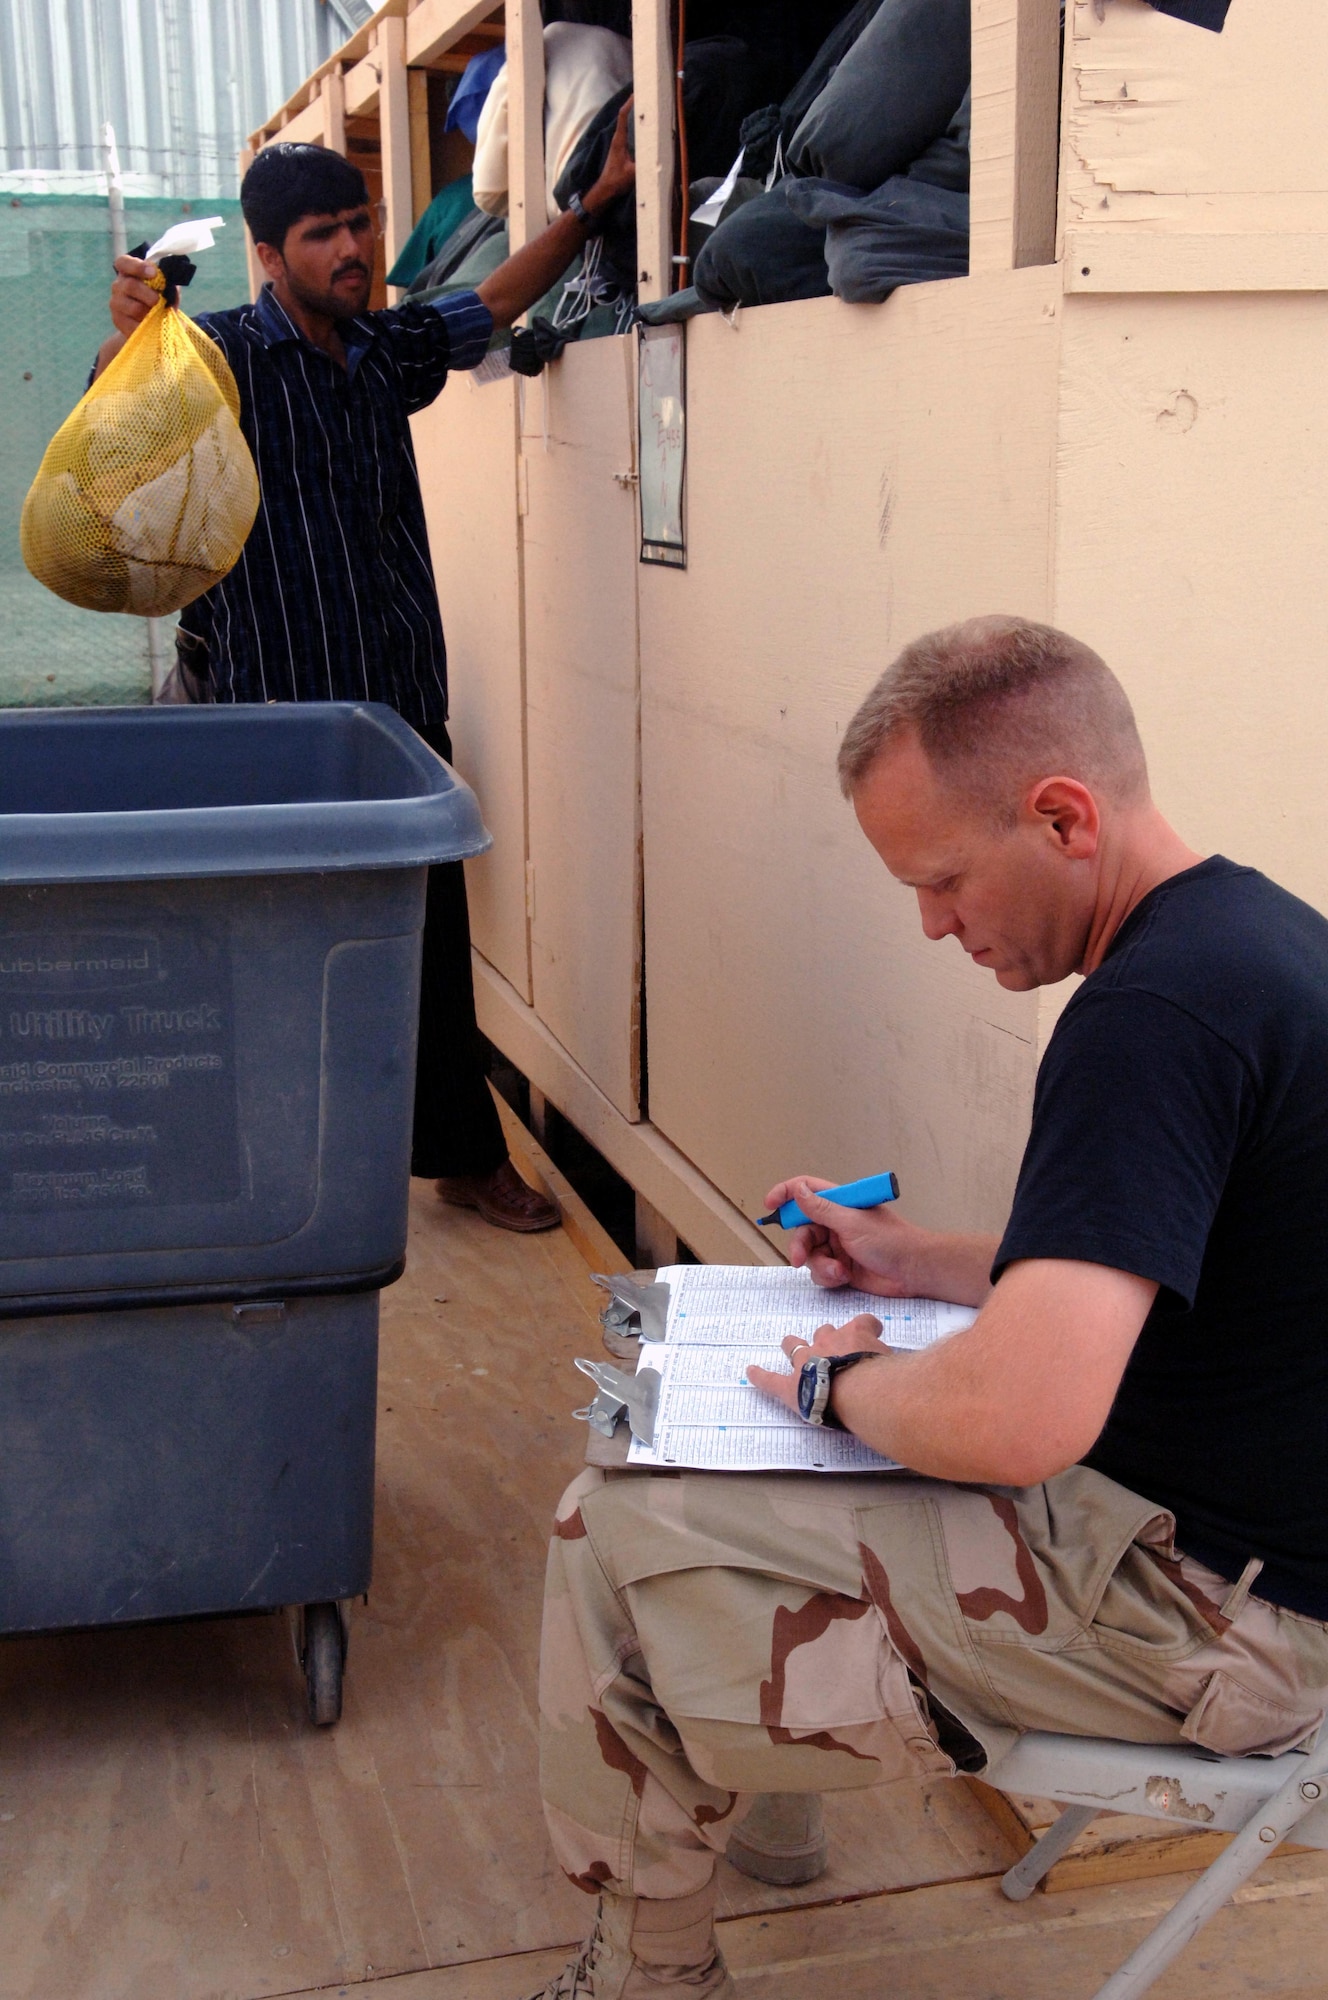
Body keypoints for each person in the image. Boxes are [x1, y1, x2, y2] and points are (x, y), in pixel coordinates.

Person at [528, 615, 1328, 1998]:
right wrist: (913, 1266)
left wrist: (839, 1384)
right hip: (1234, 1555)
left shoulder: (1151, 1020)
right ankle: (759, 1820)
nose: (935, 924)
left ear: (1063, 816)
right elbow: (1146, 1265)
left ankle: (642, 1977)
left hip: (1210, 1625)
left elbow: (1022, 1419)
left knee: (610, 1522)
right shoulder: (1251, 943)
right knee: (734, 1465)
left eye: (947, 879)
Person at [95, 121, 635, 1232]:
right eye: (320, 233)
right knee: (270, 954)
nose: (350, 246)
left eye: (358, 223)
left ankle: (460, 1157)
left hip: (394, 713)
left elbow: (487, 305)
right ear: (266, 252)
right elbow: (119, 410)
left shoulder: (382, 351)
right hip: (270, 724)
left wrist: (593, 209)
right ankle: (257, 1181)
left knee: (429, 940)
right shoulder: (221, 355)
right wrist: (131, 337)